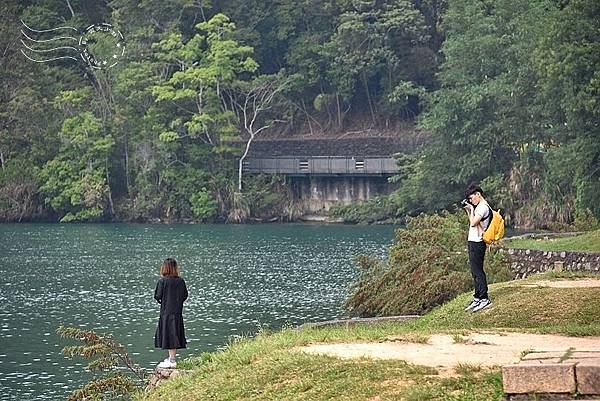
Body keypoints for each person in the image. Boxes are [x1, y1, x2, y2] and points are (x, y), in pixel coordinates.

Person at [462, 184, 492, 312]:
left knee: (478, 271)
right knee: (474, 271)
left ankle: (484, 298)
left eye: (471, 198)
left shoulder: (483, 207)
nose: (470, 200)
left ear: (478, 194)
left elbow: (474, 223)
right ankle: (477, 297)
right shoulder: (478, 207)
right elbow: (472, 221)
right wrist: (469, 210)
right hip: (474, 241)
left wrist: (471, 209)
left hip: (478, 242)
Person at [154, 257, 188, 368]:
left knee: (168, 335)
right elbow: (185, 295)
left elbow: (157, 296)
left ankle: (172, 360)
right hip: (177, 312)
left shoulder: (162, 281)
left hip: (166, 312)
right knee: (175, 334)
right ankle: (171, 358)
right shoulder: (181, 281)